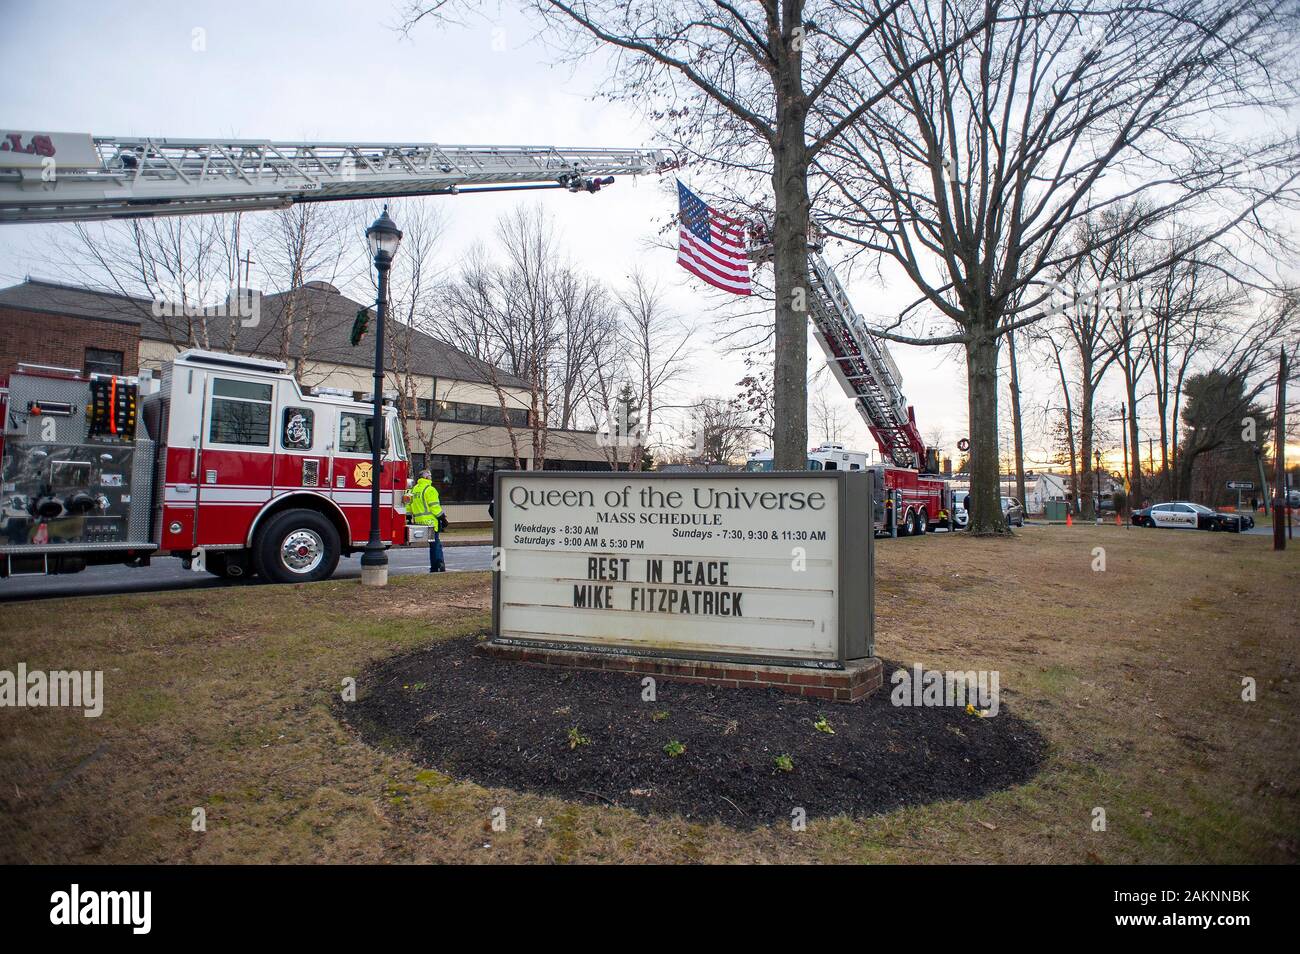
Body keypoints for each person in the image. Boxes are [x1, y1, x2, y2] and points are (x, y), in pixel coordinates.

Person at [408, 468, 445, 572]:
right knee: (435, 544)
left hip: (419, 522)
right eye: (429, 475)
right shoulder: (430, 489)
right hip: (431, 522)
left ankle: (434, 567)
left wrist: (408, 518)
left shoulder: (414, 490)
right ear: (425, 477)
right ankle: (438, 564)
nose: (431, 477)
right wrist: (443, 518)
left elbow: (409, 507)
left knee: (432, 544)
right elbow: (435, 507)